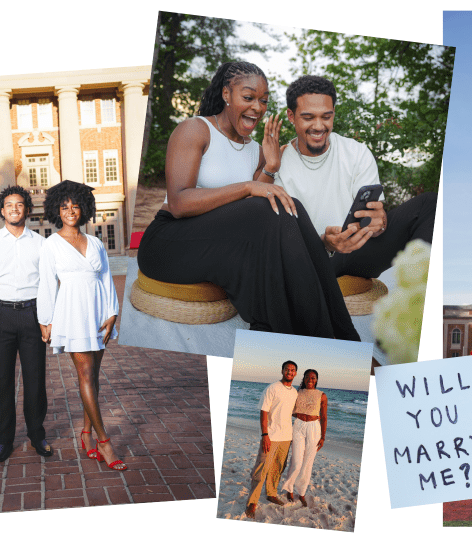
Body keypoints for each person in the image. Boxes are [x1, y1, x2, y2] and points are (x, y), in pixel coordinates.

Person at [137, 62, 358, 341]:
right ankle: (326, 337)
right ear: (227, 94)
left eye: (264, 101)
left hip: (218, 244)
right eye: (249, 97)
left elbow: (257, 217)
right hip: (170, 243)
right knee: (271, 210)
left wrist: (270, 168)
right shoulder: (196, 130)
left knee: (291, 207)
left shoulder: (257, 150)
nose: (257, 107)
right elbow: (180, 203)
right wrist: (247, 186)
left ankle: (342, 338)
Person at [273, 75, 437, 279]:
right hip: (306, 262)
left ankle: (418, 293)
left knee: (430, 204)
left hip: (355, 253)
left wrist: (380, 224)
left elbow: (376, 219)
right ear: (291, 115)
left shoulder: (356, 152)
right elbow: (277, 235)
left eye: (326, 117)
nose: (318, 126)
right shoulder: (278, 163)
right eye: (308, 117)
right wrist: (325, 242)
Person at [37, 180, 125, 471]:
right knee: (86, 374)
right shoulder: (50, 245)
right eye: (64, 207)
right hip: (72, 314)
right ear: (56, 211)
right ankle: (104, 441)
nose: (70, 211)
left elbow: (105, 278)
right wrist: (45, 321)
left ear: (83, 208)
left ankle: (85, 433)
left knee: (94, 377)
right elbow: (47, 285)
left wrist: (113, 313)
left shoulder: (96, 242)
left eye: (75, 205)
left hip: (99, 313)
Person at [0, 186, 51, 463]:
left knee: (35, 380)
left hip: (32, 315)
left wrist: (47, 319)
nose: (14, 209)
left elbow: (47, 286)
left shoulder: (42, 244)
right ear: (1, 210)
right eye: (9, 205)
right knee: (2, 381)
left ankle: (36, 435)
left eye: (20, 204)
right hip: (1, 316)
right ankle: (4, 441)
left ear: (27, 209)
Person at [246, 360, 299, 518]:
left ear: (295, 373)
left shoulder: (294, 392)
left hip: (286, 437)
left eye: (292, 370)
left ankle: (271, 493)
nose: (289, 372)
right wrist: (265, 435)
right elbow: (263, 412)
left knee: (277, 467)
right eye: (287, 369)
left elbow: (289, 411)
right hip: (271, 436)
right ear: (282, 371)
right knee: (261, 469)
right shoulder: (272, 388)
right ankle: (252, 502)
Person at [281, 369, 327, 507]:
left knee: (307, 462)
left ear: (316, 380)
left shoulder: (322, 395)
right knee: (296, 461)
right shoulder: (297, 392)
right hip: (299, 427)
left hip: (314, 428)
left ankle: (301, 492)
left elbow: (324, 417)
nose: (310, 380)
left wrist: (323, 437)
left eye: (313, 378)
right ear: (304, 378)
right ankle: (289, 488)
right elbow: (289, 409)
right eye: (307, 377)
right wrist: (300, 415)